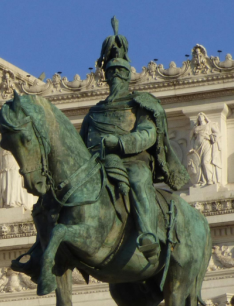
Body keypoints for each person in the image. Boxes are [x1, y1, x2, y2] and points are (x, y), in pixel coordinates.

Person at [79, 19, 189, 259]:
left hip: (133, 162)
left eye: (120, 73)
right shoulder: (94, 112)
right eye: (112, 73)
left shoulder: (140, 104)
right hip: (99, 165)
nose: (116, 77)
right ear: (106, 77)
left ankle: (148, 234)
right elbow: (81, 146)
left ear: (128, 76)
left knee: (139, 180)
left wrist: (118, 143)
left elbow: (147, 134)